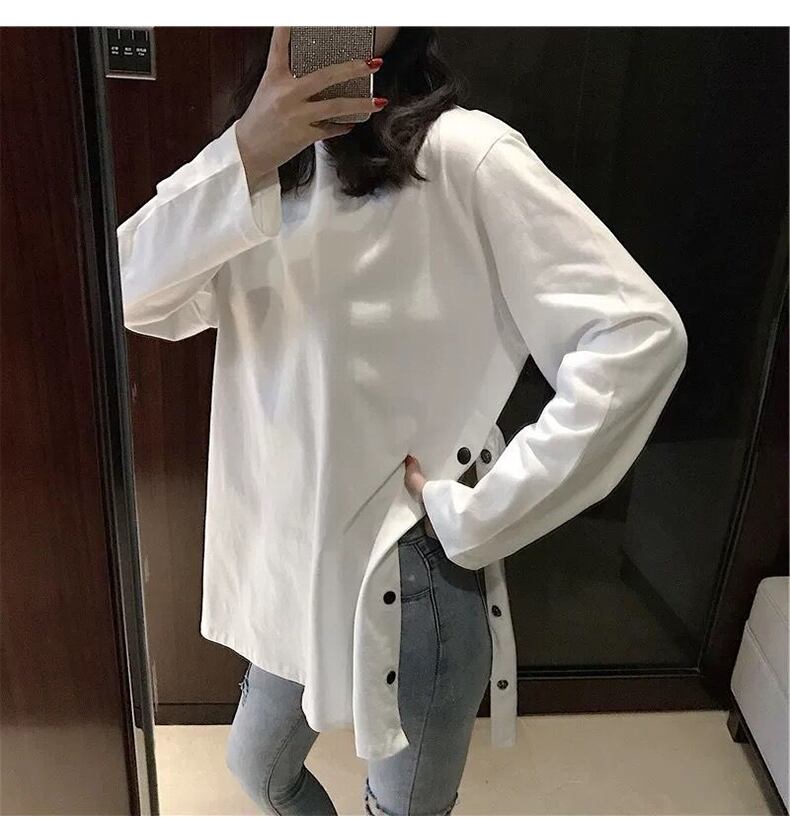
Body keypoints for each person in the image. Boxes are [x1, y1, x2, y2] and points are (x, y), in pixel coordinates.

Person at [117, 26, 688, 815]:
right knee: (259, 768)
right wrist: (248, 149)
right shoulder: (264, 170)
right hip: (294, 569)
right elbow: (127, 290)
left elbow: (638, 337)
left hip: (409, 575)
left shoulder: (463, 155)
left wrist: (481, 513)